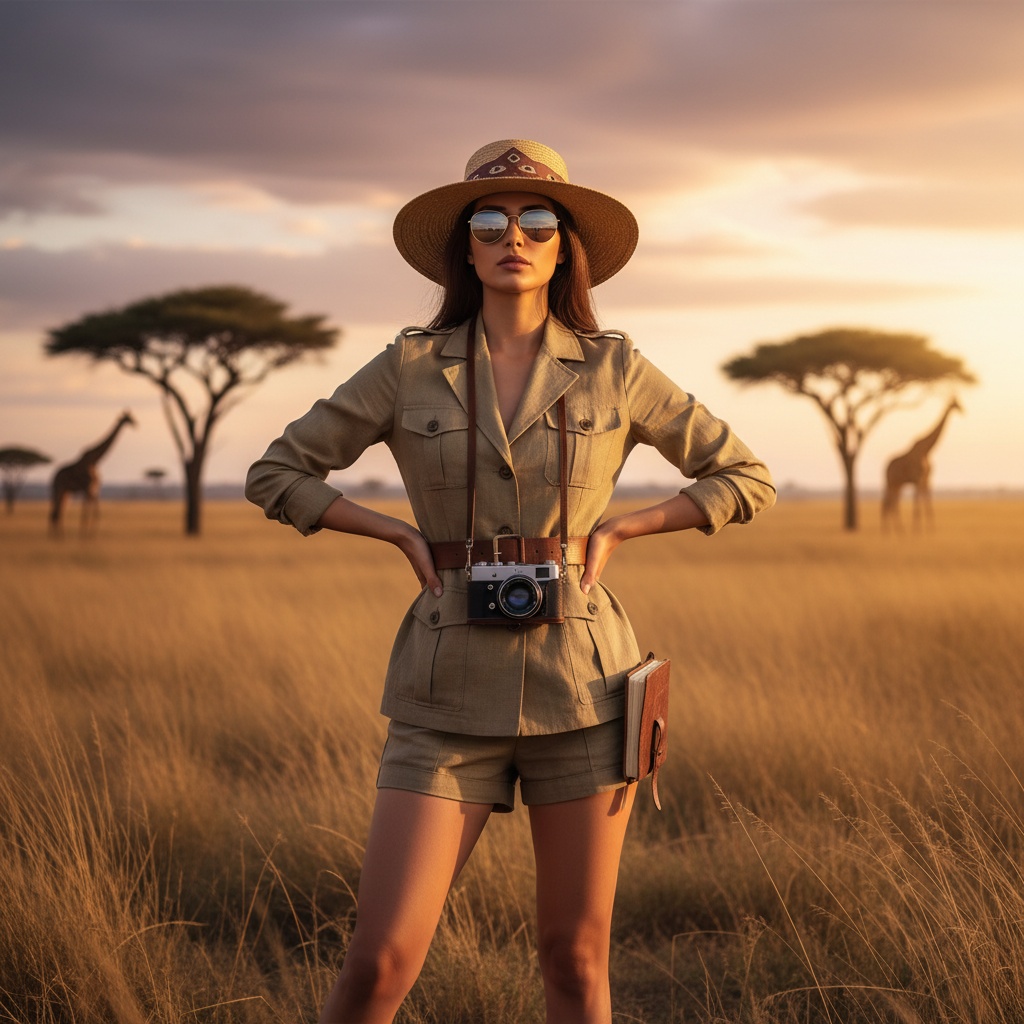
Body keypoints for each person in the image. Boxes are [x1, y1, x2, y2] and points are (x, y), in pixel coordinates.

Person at [245, 139, 775, 1024]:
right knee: (378, 964)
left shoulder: (614, 366)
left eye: (538, 221)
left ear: (566, 244)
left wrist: (622, 526)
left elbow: (743, 477)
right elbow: (278, 472)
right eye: (488, 222)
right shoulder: (410, 366)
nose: (512, 237)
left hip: (586, 687)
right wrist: (393, 533)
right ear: (466, 247)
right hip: (444, 690)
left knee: (574, 961)